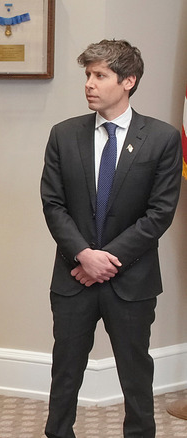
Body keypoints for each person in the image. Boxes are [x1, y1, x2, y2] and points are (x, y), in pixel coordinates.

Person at [40, 39, 181, 438]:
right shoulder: (63, 135)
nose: (89, 83)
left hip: (131, 282)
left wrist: (105, 260)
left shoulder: (162, 138)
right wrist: (84, 255)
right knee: (65, 371)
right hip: (73, 278)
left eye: (100, 75)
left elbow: (159, 214)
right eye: (88, 74)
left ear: (128, 81)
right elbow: (53, 205)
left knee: (136, 375)